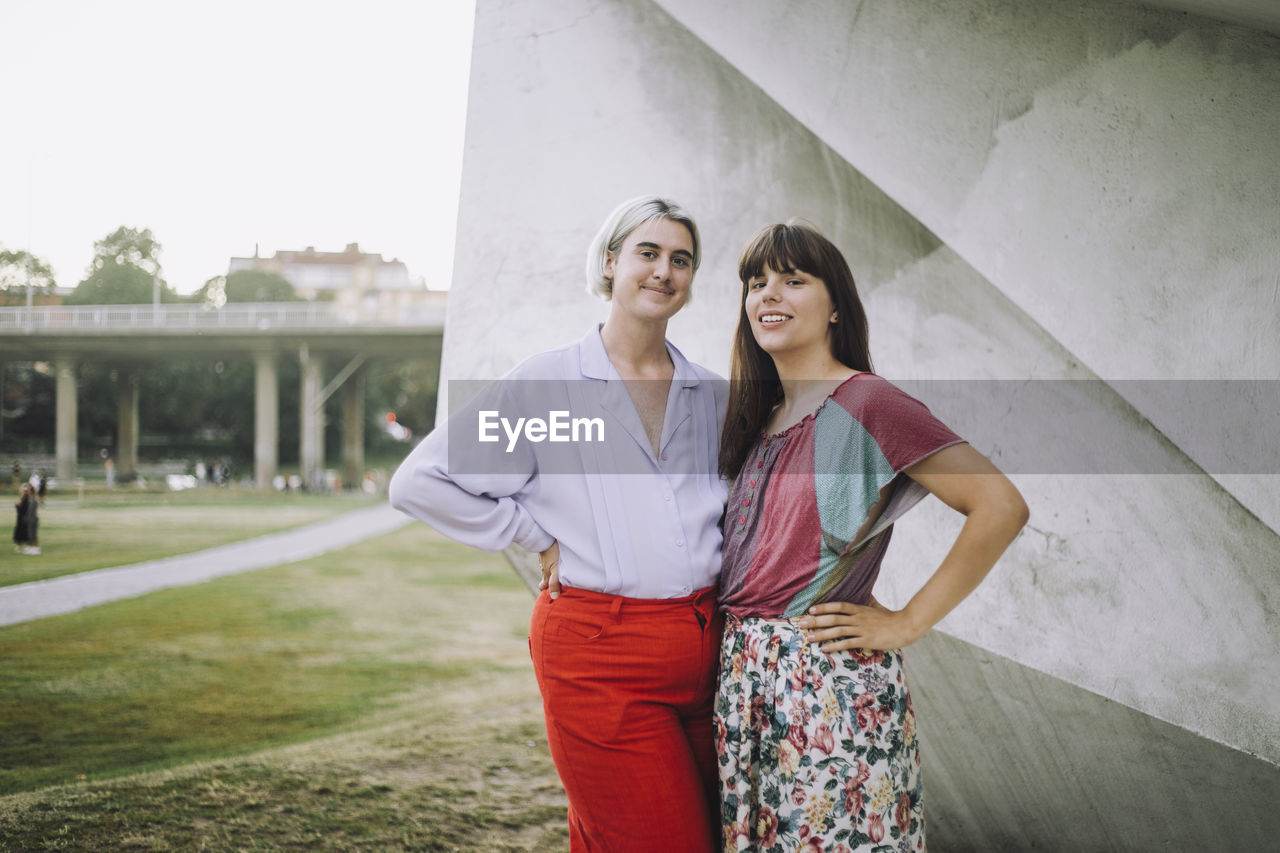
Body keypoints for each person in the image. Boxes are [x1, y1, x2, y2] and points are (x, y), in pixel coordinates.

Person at [390, 196, 729, 852]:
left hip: (710, 655)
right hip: (600, 656)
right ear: (611, 263)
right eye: (648, 253)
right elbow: (418, 482)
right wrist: (530, 533)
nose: (664, 271)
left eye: (681, 259)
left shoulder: (711, 394)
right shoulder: (548, 384)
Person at [715, 222, 1028, 851]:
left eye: (793, 280)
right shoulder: (761, 414)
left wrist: (907, 621)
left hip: (826, 689)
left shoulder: (868, 403)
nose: (768, 294)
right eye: (757, 282)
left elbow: (999, 505)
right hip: (743, 684)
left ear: (835, 308)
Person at [13, 482, 40, 555]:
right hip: (29, 519)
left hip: (33, 518)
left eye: (28, 490)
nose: (26, 491)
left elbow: (33, 508)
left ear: (31, 490)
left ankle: (36, 549)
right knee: (30, 535)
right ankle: (31, 548)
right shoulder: (29, 498)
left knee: (33, 535)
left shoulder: (34, 498)